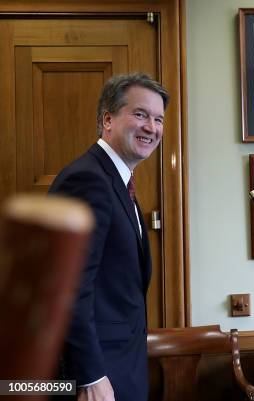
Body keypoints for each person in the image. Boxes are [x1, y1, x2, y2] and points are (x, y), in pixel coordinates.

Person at [49, 73, 169, 401]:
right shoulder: (87, 180)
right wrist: (89, 375)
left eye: (158, 119)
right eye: (140, 114)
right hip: (96, 375)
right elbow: (68, 287)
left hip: (120, 366)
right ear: (107, 120)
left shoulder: (117, 181)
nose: (152, 127)